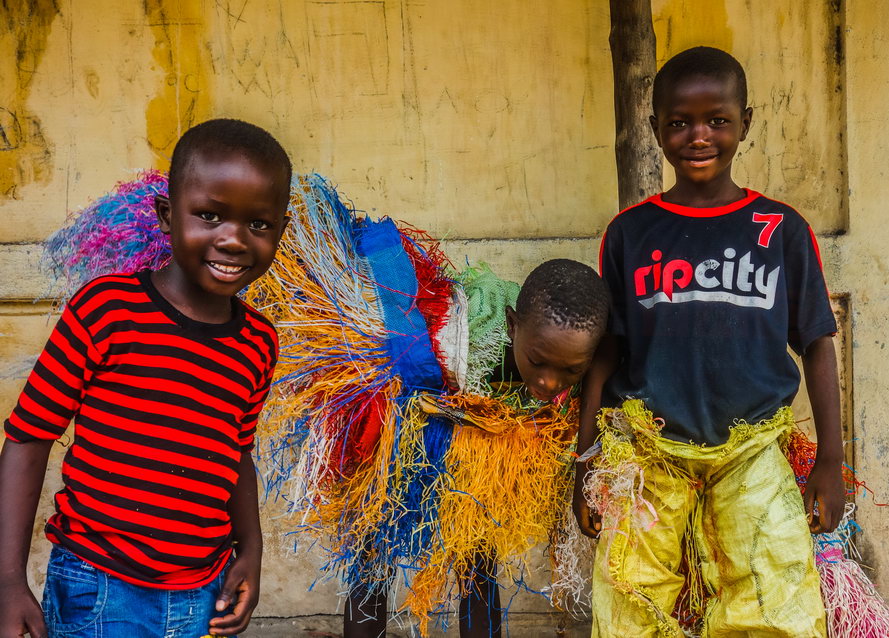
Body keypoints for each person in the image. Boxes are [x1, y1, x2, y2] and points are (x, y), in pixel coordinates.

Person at [573, 46, 844, 637]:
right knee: (626, 599)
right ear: (655, 130)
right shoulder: (630, 234)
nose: (699, 136)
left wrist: (831, 459)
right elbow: (607, 355)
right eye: (679, 122)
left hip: (751, 453)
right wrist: (587, 461)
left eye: (717, 119)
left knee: (776, 598)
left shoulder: (781, 230)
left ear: (745, 121)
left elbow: (818, 343)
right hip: (647, 456)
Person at [0, 118, 291, 638]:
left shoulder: (258, 343)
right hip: (100, 589)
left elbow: (235, 451)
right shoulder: (107, 309)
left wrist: (251, 550)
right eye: (210, 215)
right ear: (166, 215)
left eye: (259, 225)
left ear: (279, 231)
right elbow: (27, 437)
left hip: (205, 592)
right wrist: (6, 581)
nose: (234, 240)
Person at [344, 258, 611, 638]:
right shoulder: (462, 344)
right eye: (537, 362)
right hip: (405, 435)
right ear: (511, 326)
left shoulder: (569, 361)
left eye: (569, 372)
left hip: (478, 465)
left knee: (477, 554)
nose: (550, 382)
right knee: (375, 546)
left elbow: (585, 398)